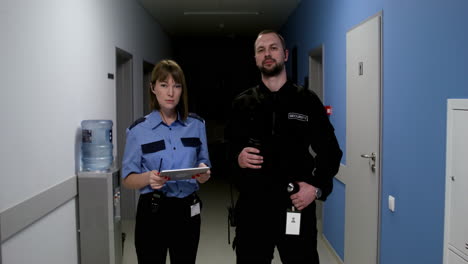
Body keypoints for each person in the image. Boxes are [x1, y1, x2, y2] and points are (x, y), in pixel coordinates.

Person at [226, 30, 343, 263]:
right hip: (253, 208)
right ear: (255, 59)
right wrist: (236, 158)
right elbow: (227, 150)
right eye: (261, 50)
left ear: (285, 54)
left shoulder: (307, 101)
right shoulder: (242, 103)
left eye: (273, 48)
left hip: (295, 204)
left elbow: (330, 151)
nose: (267, 54)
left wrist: (316, 188)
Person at [122, 59, 211, 264]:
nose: (171, 92)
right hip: (153, 210)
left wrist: (204, 173)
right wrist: (148, 178)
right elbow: (127, 179)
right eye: (164, 85)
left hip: (187, 210)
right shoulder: (138, 131)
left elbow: (204, 166)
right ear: (153, 88)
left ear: (182, 90)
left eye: (176, 86)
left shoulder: (196, 125)